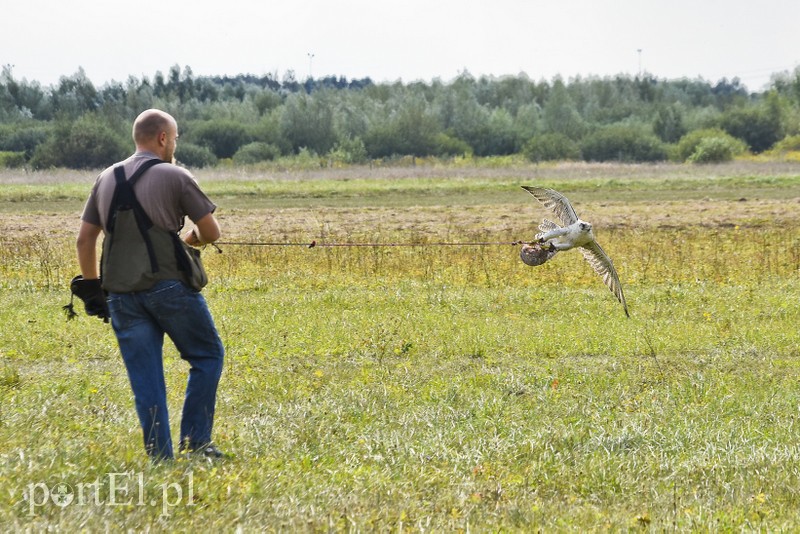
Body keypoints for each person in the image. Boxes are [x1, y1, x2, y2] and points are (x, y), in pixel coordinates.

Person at [76, 109, 225, 460]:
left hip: (121, 295)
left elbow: (85, 240)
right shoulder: (176, 175)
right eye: (174, 137)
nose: (174, 143)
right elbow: (211, 232)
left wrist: (94, 289)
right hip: (170, 287)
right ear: (162, 138)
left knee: (146, 378)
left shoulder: (106, 178)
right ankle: (197, 443)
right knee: (207, 355)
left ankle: (160, 456)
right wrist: (192, 239)